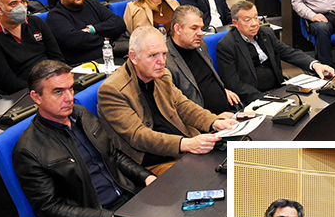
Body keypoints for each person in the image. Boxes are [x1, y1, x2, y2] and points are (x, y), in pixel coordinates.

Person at [13, 60, 156, 217]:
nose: (69, 97)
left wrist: (148, 178)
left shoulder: (82, 115)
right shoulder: (29, 150)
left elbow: (114, 155)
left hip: (128, 199)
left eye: (71, 88)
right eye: (58, 92)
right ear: (36, 97)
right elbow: (49, 209)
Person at [97, 26, 236, 167]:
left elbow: (183, 106)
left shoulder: (163, 75)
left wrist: (214, 121)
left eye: (164, 54)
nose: (162, 61)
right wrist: (185, 144)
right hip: (155, 160)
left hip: (182, 145)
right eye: (153, 55)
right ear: (133, 57)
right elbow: (138, 136)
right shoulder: (113, 90)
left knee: (235, 162)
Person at [217, 0, 333, 104]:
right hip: (254, 97)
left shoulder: (266, 33)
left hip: (278, 89)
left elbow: (287, 52)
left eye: (256, 17)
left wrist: (314, 64)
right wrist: (265, 99)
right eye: (247, 20)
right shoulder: (226, 45)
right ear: (235, 23)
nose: (254, 23)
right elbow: (234, 83)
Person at [0, 0, 64, 93]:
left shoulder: (36, 22)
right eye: (13, 4)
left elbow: (57, 57)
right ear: (0, 9)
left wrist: (59, 80)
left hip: (52, 81)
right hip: (23, 93)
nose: (21, 7)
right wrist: (43, 89)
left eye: (23, 1)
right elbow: (9, 83)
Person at [165, 6, 239, 112]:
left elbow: (210, 77)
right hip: (205, 118)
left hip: (230, 108)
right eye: (194, 28)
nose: (200, 33)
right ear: (177, 29)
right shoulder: (166, 60)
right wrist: (212, 119)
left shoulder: (200, 45)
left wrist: (223, 90)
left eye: (201, 28)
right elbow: (177, 106)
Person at [47, 0, 126, 65]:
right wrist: (105, 38)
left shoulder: (90, 2)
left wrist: (93, 29)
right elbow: (75, 41)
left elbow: (119, 23)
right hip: (84, 65)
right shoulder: (55, 16)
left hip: (112, 56)